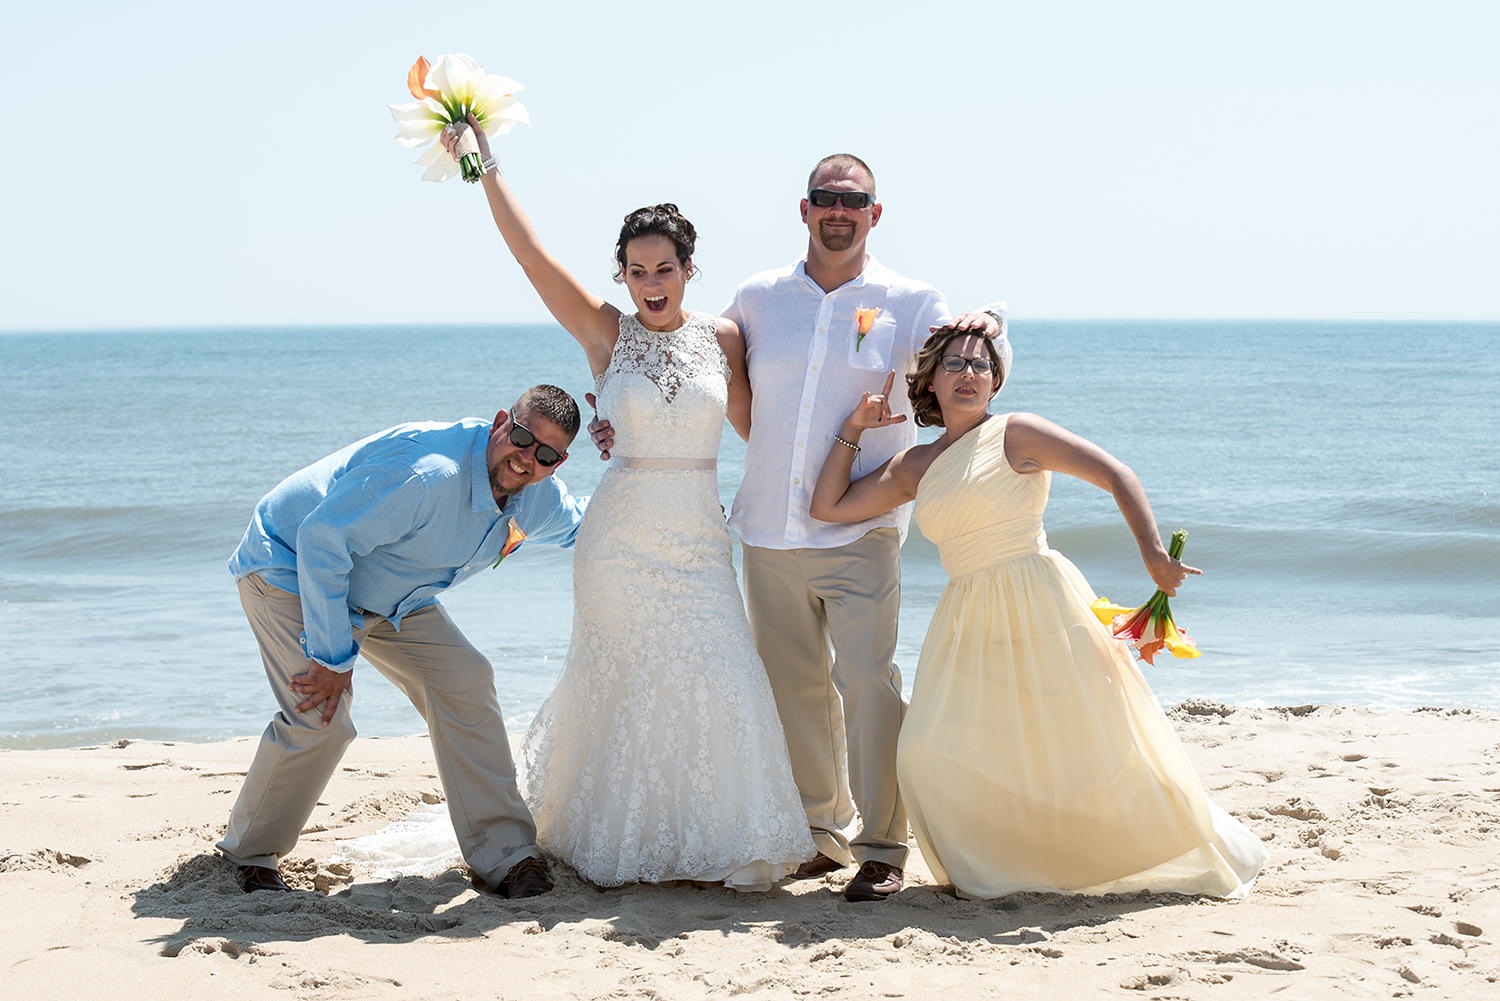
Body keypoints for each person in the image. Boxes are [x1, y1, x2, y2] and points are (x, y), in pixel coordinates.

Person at [593, 153, 1006, 900]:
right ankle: (819, 834)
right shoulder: (757, 298)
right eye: (825, 198)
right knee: (793, 690)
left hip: (861, 533)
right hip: (766, 532)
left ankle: (883, 844)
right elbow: (684, 356)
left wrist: (995, 322)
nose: (837, 210)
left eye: (853, 200)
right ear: (805, 209)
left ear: (874, 213)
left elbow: (970, 369)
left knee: (869, 686)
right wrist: (611, 414)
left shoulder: (912, 300)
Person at [438, 120, 814, 890]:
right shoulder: (606, 336)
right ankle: (617, 836)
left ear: (688, 269)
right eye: (637, 268)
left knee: (718, 671)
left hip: (700, 539)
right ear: (621, 273)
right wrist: (483, 165)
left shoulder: (726, 338)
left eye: (665, 267)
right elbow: (530, 255)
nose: (652, 281)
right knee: (628, 680)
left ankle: (716, 836)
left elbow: (762, 430)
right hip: (619, 540)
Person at [809, 328, 1268, 899]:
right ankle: (1001, 860)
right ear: (930, 379)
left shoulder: (1016, 433)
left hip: (1040, 599)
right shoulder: (916, 464)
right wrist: (852, 429)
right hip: (967, 613)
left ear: (995, 381)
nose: (968, 374)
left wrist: (1152, 554)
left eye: (980, 365)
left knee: (1084, 743)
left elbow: (1115, 473)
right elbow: (827, 506)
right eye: (954, 364)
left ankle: (1141, 848)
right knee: (928, 749)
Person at [218, 388, 588, 898]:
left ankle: (507, 856)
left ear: (558, 461)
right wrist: (330, 658)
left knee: (466, 679)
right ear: (502, 421)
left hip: (390, 595)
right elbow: (322, 540)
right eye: (521, 438)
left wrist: (667, 501)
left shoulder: (538, 496)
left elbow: (586, 528)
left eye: (545, 454)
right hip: (289, 567)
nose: (526, 459)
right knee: (321, 716)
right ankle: (248, 854)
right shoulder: (426, 474)